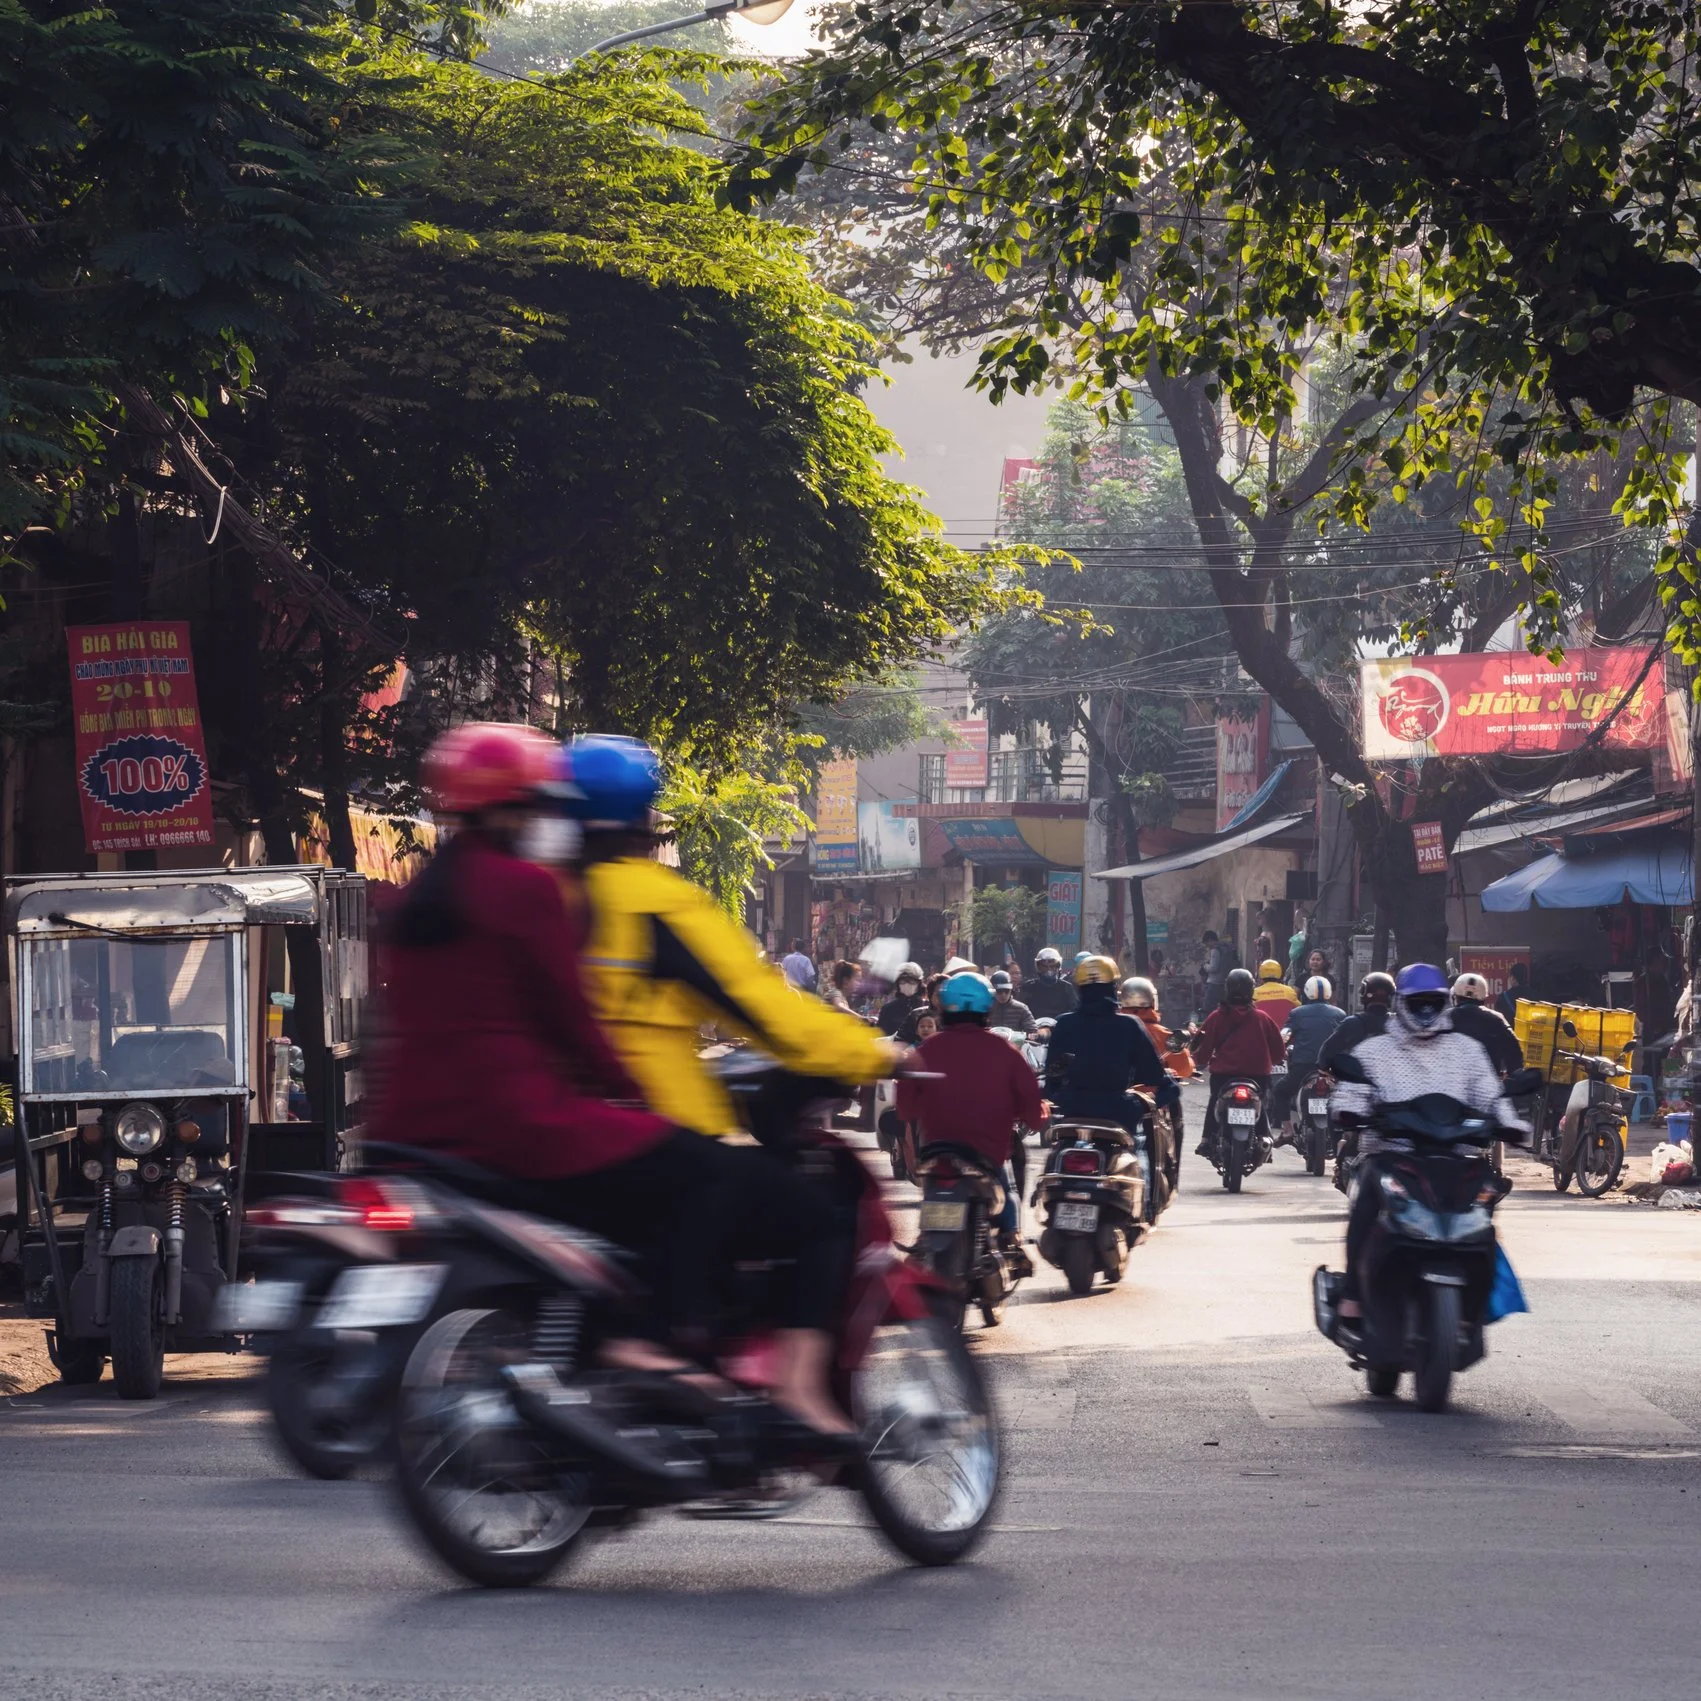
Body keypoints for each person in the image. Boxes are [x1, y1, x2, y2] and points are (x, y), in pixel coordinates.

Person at [372, 724, 851, 1440]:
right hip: (527, 1123)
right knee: (725, 1180)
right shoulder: (536, 892)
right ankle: (655, 1344)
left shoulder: (412, 904)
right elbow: (571, 1019)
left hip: (412, 1130)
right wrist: (622, 1089)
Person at [1331, 963, 1528, 1320]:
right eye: (1417, 1002)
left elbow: (1491, 1097)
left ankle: (1473, 1306)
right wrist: (1350, 1112)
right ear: (1401, 1003)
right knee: (1364, 1204)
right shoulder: (1375, 1051)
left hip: (1457, 1160)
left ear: (1446, 1003)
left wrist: (1511, 1125)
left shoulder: (1467, 1052)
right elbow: (1350, 1094)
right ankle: (1353, 1293)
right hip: (1392, 1158)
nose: (1425, 1010)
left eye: (1433, 1002)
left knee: (1485, 1215)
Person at [896, 972, 1043, 1274]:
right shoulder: (1004, 1051)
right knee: (1007, 1192)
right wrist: (1038, 1116)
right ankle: (1011, 1240)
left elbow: (905, 1106)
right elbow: (1031, 1104)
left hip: (935, 1152)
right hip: (985, 1154)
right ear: (986, 1007)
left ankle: (926, 1241)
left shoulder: (927, 1050)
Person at [1046, 956, 1178, 1209]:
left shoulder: (1065, 1024)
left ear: (1079, 988)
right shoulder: (1129, 1025)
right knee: (1139, 1156)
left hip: (1073, 1112)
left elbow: (1054, 1074)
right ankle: (1147, 1208)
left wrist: (1059, 1091)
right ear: (1114, 988)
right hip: (1118, 1114)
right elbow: (1152, 1075)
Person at [1192, 966, 1286, 1155]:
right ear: (1251, 990)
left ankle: (1205, 1140)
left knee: (1214, 1102)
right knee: (1259, 1103)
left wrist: (1197, 1062)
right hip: (1258, 1075)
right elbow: (1278, 1051)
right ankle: (1264, 1140)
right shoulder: (1263, 1018)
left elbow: (1203, 1050)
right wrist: (1275, 1060)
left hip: (1223, 1076)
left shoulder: (1216, 1017)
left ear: (1227, 989)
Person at [1117, 975, 1194, 1200]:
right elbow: (1184, 1069)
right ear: (1152, 1002)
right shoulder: (1161, 1034)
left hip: (1116, 1096)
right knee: (1176, 1118)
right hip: (1151, 1098)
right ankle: (1173, 1178)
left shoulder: (1113, 1029)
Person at [1273, 975, 1347, 1128]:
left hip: (1303, 1067)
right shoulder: (1340, 1014)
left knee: (1280, 1090)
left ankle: (1286, 1129)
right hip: (1331, 1068)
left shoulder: (1297, 1013)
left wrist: (1279, 1054)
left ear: (1306, 991)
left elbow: (1284, 1036)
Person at [1450, 972, 1525, 1075]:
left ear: (1456, 996)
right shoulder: (1496, 1019)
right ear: (1483, 996)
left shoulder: (1444, 1019)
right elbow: (1515, 1056)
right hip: (1490, 1086)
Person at [1319, 970, 1398, 1069]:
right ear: (1391, 996)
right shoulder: (1401, 1024)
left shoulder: (1351, 1023)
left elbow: (1326, 1054)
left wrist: (1323, 1068)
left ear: (1363, 994)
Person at [1024, 946, 1078, 1020]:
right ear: (1038, 967)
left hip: (1060, 1027)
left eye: (1052, 966)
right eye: (1045, 966)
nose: (1049, 970)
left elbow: (1074, 1010)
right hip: (1034, 1027)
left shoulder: (1066, 987)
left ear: (1058, 967)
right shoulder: (1029, 986)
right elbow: (1021, 1010)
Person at [895, 972, 949, 1044]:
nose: (944, 998)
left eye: (948, 994)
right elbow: (900, 1042)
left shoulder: (959, 1017)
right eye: (939, 995)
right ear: (930, 996)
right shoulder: (916, 1015)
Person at [877, 962, 927, 1035]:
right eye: (903, 981)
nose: (907, 984)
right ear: (898, 984)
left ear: (919, 984)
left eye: (911, 981)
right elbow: (881, 1036)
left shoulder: (926, 1007)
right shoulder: (888, 1009)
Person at [1252, 958, 1300, 1027]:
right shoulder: (1289, 991)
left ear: (1261, 973)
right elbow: (1299, 1009)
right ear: (1280, 972)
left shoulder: (1254, 993)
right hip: (1284, 1034)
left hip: (1263, 1034)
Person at [1201, 928, 1239, 1015]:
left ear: (1210, 940)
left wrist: (1205, 966)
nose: (1207, 946)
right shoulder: (1225, 948)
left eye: (1207, 943)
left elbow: (1214, 968)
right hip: (1224, 981)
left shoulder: (1215, 950)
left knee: (1209, 1007)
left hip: (1214, 982)